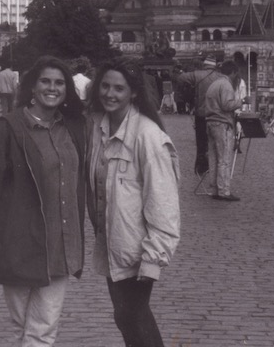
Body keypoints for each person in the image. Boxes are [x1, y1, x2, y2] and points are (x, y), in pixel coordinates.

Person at [0, 56, 86, 346]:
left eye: (59, 83)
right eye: (45, 81)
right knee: (23, 329)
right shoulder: (9, 127)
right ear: (32, 86)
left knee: (42, 330)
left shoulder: (73, 128)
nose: (52, 88)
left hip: (60, 244)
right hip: (18, 246)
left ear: (67, 89)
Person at [86, 59, 180, 347]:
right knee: (126, 317)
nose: (109, 94)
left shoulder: (148, 136)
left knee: (134, 316)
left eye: (118, 88)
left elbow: (163, 204)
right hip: (114, 244)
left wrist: (153, 258)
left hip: (139, 251)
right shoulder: (97, 128)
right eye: (105, 86)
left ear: (133, 93)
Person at [205, 60, 243, 202]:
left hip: (210, 122)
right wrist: (242, 101)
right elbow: (227, 105)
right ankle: (224, 191)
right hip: (222, 123)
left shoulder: (214, 84)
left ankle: (214, 189)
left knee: (214, 158)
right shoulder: (226, 85)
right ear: (233, 72)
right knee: (224, 159)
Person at [177, 55, 222, 175]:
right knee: (215, 142)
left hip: (201, 114)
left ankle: (201, 167)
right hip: (216, 114)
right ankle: (214, 167)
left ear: (204, 65)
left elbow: (180, 78)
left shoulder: (197, 75)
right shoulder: (220, 77)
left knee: (201, 141)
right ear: (215, 66)